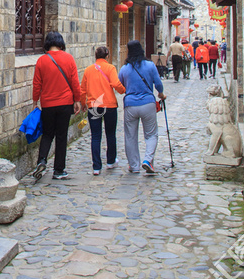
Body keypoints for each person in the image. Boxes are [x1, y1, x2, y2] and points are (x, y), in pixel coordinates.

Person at [32, 31, 82, 181]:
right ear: (60, 43)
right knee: (61, 136)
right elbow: (75, 82)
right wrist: (77, 100)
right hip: (65, 103)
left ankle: (41, 160)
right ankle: (59, 170)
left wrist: (35, 102)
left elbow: (37, 84)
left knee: (47, 134)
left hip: (48, 103)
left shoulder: (42, 60)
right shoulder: (69, 58)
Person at [119, 40, 165, 174]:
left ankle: (133, 165)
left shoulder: (124, 68)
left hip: (130, 105)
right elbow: (158, 83)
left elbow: (121, 84)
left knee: (130, 136)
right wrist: (161, 94)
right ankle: (147, 160)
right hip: (147, 103)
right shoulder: (150, 66)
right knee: (151, 134)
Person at [80, 45, 125, 175]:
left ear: (96, 56)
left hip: (94, 105)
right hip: (109, 105)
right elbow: (116, 84)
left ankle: (96, 166)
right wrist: (123, 90)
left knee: (96, 136)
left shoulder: (88, 70)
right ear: (107, 56)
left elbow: (83, 89)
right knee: (110, 134)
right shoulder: (110, 68)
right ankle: (110, 161)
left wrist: (83, 104)